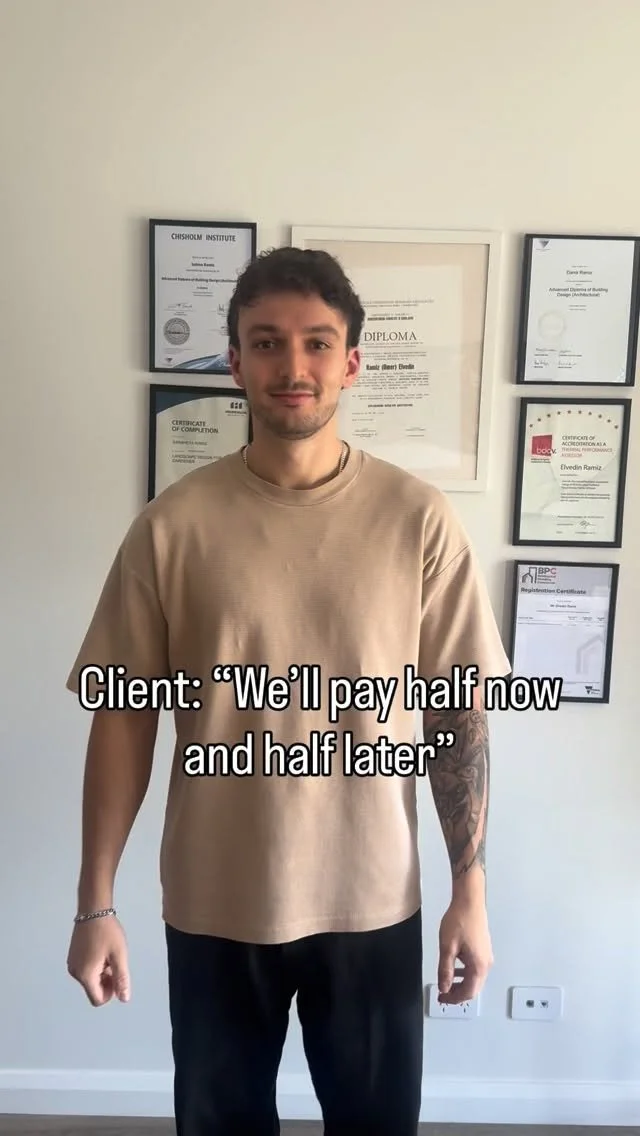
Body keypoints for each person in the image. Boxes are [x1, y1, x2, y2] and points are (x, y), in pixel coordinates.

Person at [65, 246, 511, 1136]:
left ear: (352, 362)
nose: (292, 365)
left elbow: (457, 717)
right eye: (266, 343)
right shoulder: (172, 527)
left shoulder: (418, 520)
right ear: (235, 362)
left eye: (317, 343)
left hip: (373, 899)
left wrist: (471, 893)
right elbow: (122, 719)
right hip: (216, 899)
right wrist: (95, 905)